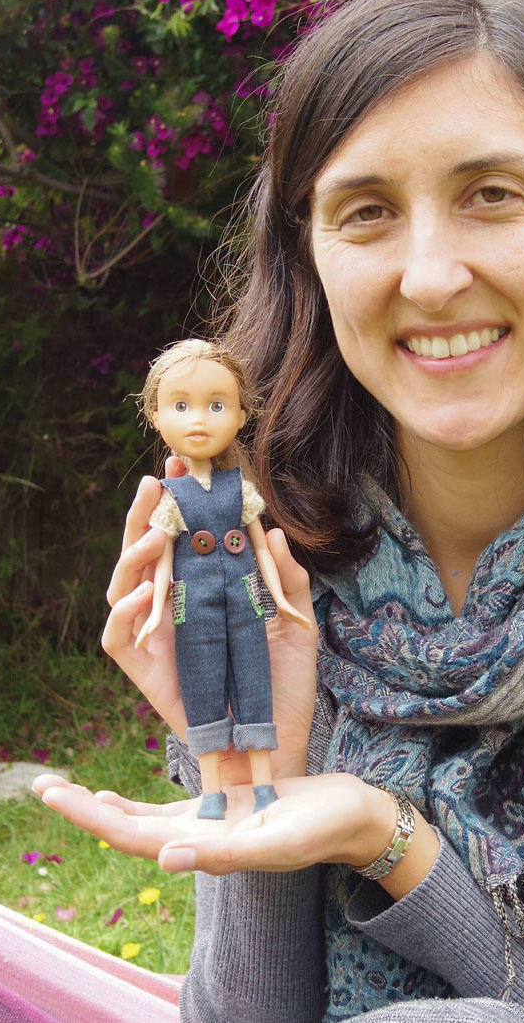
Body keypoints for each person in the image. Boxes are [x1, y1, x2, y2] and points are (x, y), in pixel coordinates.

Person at [35, 0, 524, 1023]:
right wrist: (254, 773)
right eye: (367, 213)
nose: (432, 276)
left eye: (491, 194)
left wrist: (387, 840)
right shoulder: (271, 562)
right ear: (308, 256)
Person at [133, 339, 312, 820]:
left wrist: (280, 599)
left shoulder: (240, 489)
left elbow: (261, 548)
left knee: (255, 682)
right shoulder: (170, 496)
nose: (198, 419)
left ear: (240, 415)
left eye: (216, 405)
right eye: (180, 406)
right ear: (155, 416)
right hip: (193, 607)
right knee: (201, 686)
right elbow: (164, 563)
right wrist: (153, 611)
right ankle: (212, 791)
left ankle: (264, 785)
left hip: (246, 601)